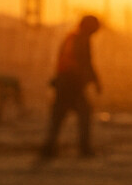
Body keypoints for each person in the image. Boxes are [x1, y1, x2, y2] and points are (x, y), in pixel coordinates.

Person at [40, 14, 102, 159]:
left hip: (64, 82)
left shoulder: (71, 37)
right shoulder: (82, 40)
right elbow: (86, 63)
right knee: (84, 113)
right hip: (72, 83)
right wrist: (96, 82)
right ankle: (84, 149)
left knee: (58, 117)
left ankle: (48, 149)